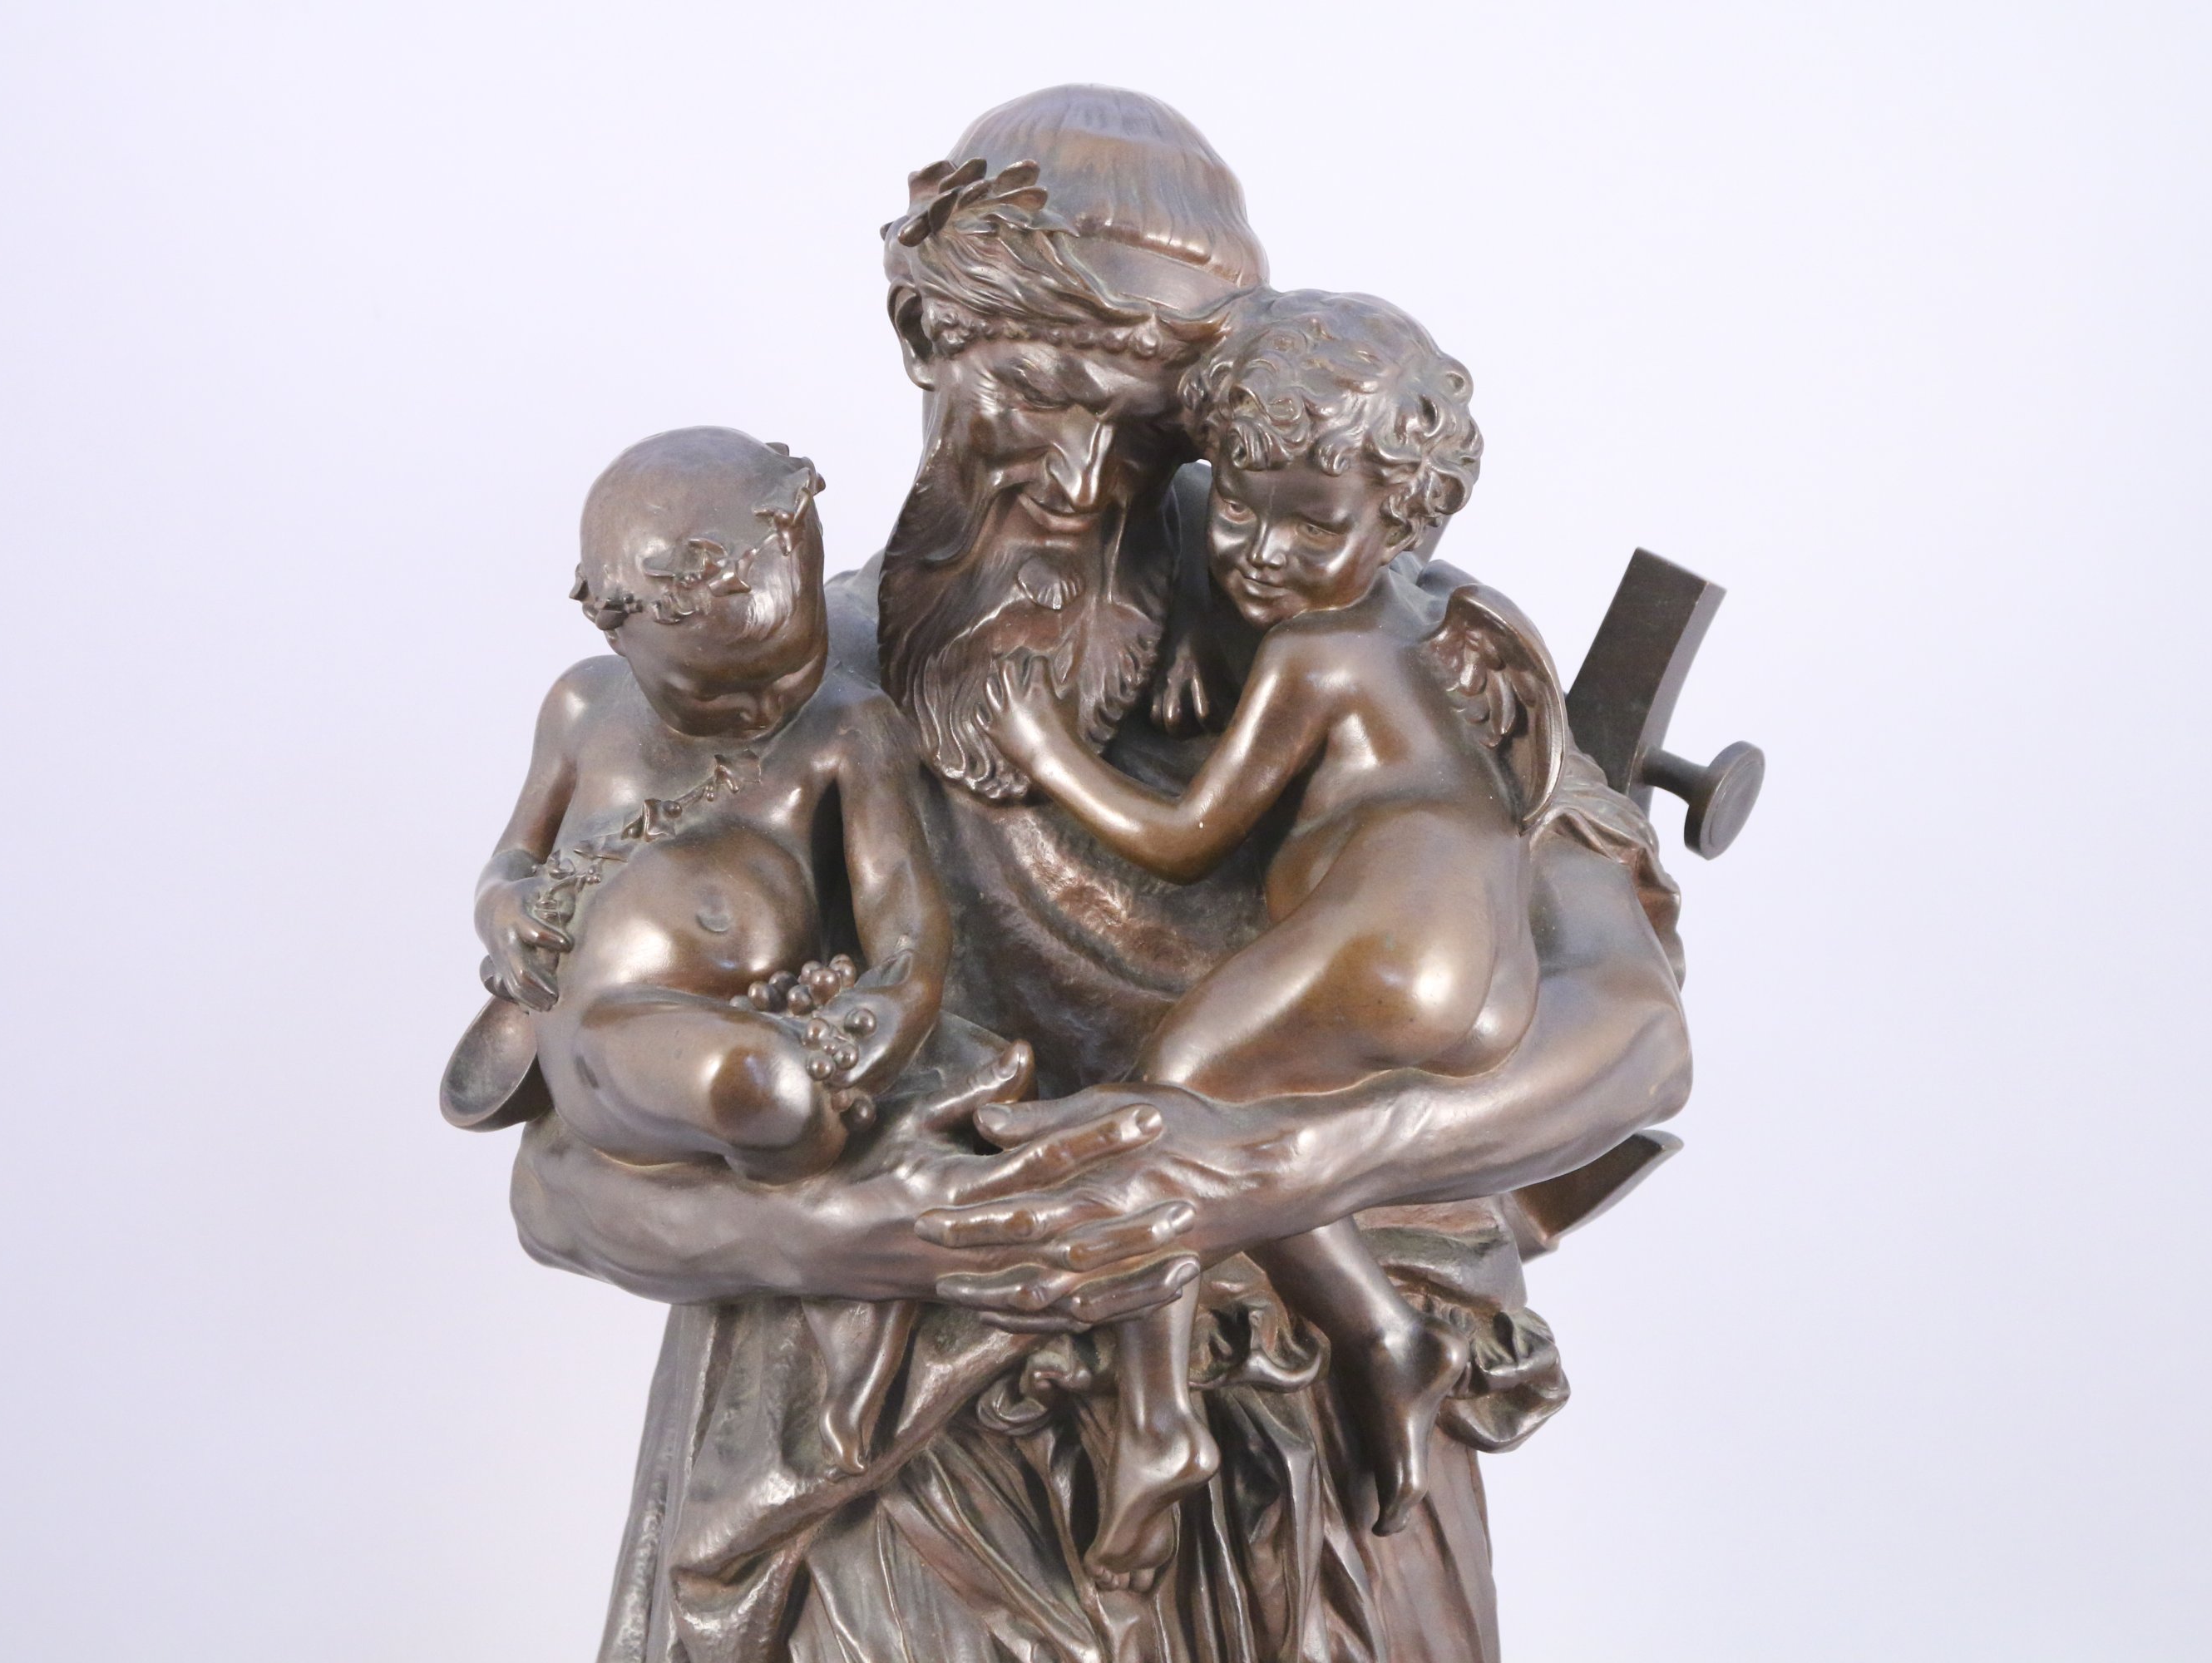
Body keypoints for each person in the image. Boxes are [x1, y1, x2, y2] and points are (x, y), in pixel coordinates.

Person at [499, 87, 1693, 1663]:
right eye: (1028, 401)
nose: (1072, 480)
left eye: (1140, 432)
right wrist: (867, 1238)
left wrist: (1265, 1175)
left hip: (1305, 1483)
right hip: (876, 1495)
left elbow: (1633, 1030)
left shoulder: (1385, 633)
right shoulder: (774, 695)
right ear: (926, 341)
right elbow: (567, 1175)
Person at [980, 286, 1577, 1572]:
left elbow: (1186, 835)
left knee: (1170, 1102)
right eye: (1239, 508)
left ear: (1405, 516)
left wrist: (1043, 751)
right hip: (1482, 962)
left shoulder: (1319, 653)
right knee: (1249, 1124)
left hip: (1395, 935)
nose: (1260, 553)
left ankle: (1157, 1430)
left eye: (1313, 523)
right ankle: (1386, 1337)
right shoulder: (1446, 624)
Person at [473, 427, 948, 1183]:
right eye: (719, 692)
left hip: (726, 1037)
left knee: (761, 1082)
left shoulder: (847, 729)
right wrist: (499, 906)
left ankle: (807, 1130)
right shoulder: (584, 705)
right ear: (615, 631)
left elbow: (901, 907)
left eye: (795, 669)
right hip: (585, 1031)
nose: (765, 708)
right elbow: (512, 857)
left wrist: (891, 1009)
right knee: (754, 1082)